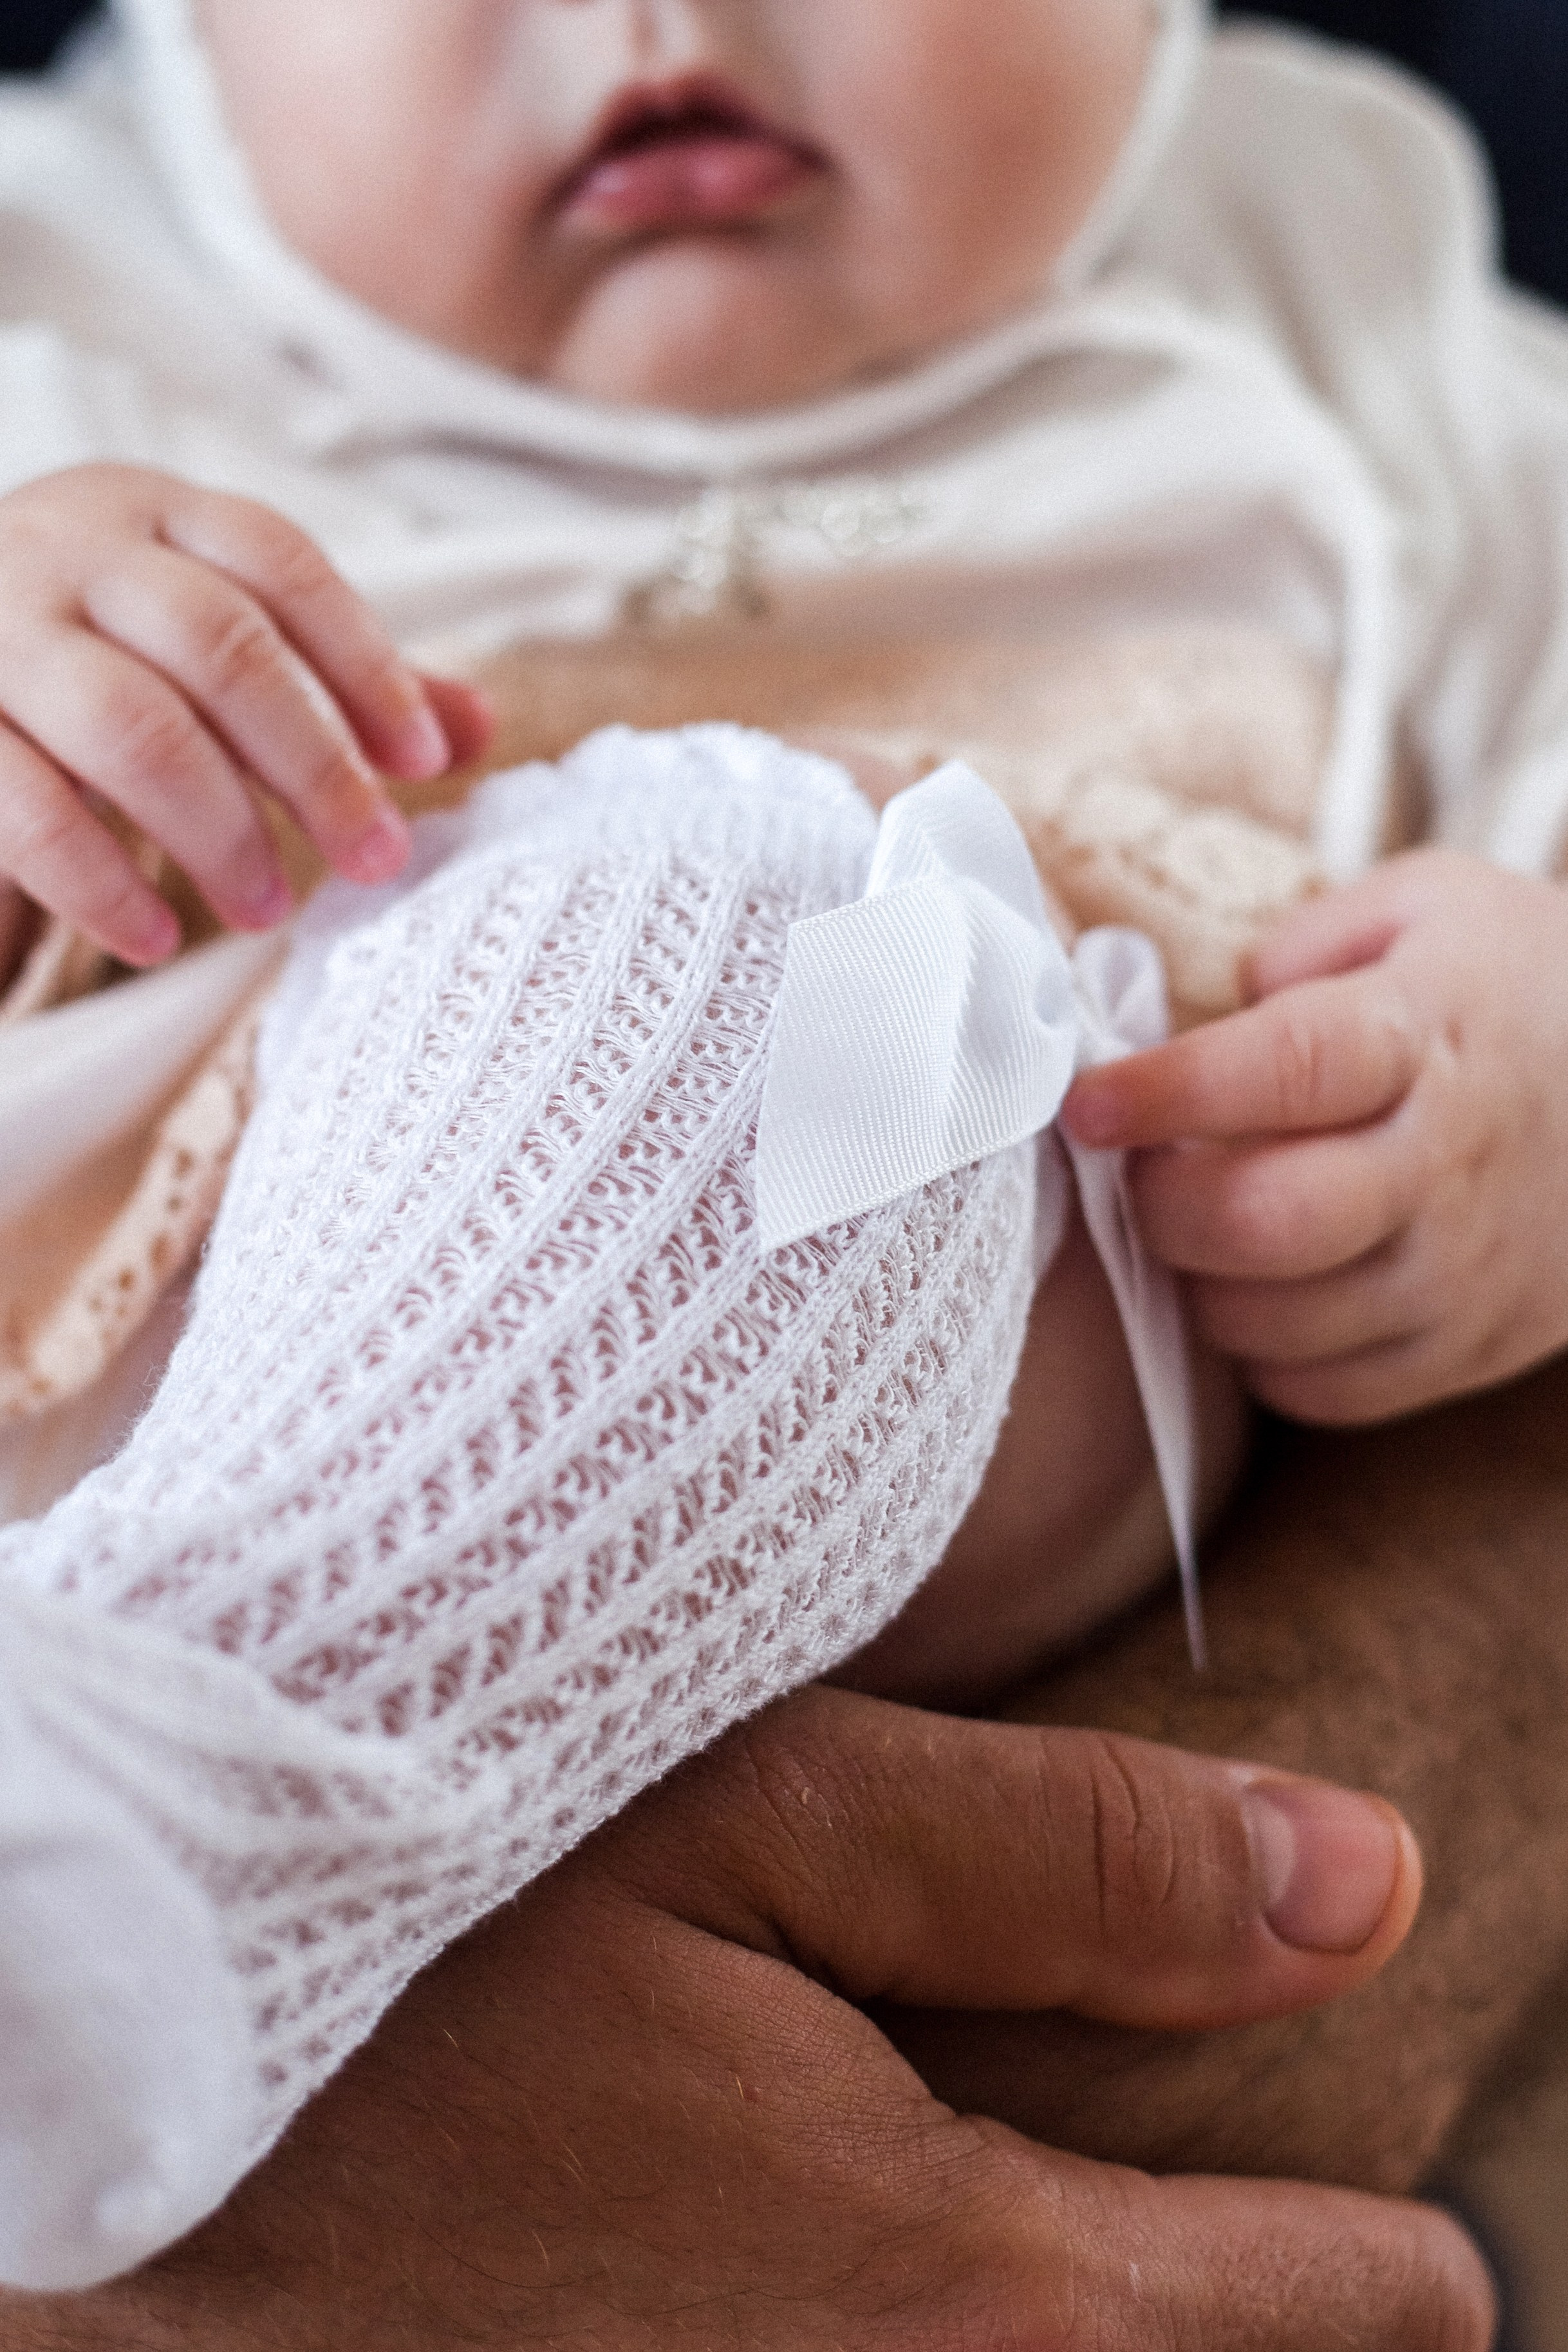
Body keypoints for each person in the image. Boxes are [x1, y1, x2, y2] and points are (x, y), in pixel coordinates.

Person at [2, 0, 1568, 2302]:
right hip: (99, 1372)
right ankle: (149, 1804)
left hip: (961, 1467)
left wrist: (1534, 1078)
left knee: (825, 955)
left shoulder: (1347, 307)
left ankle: (148, 1834)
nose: (656, 23)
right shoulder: (57, 313)